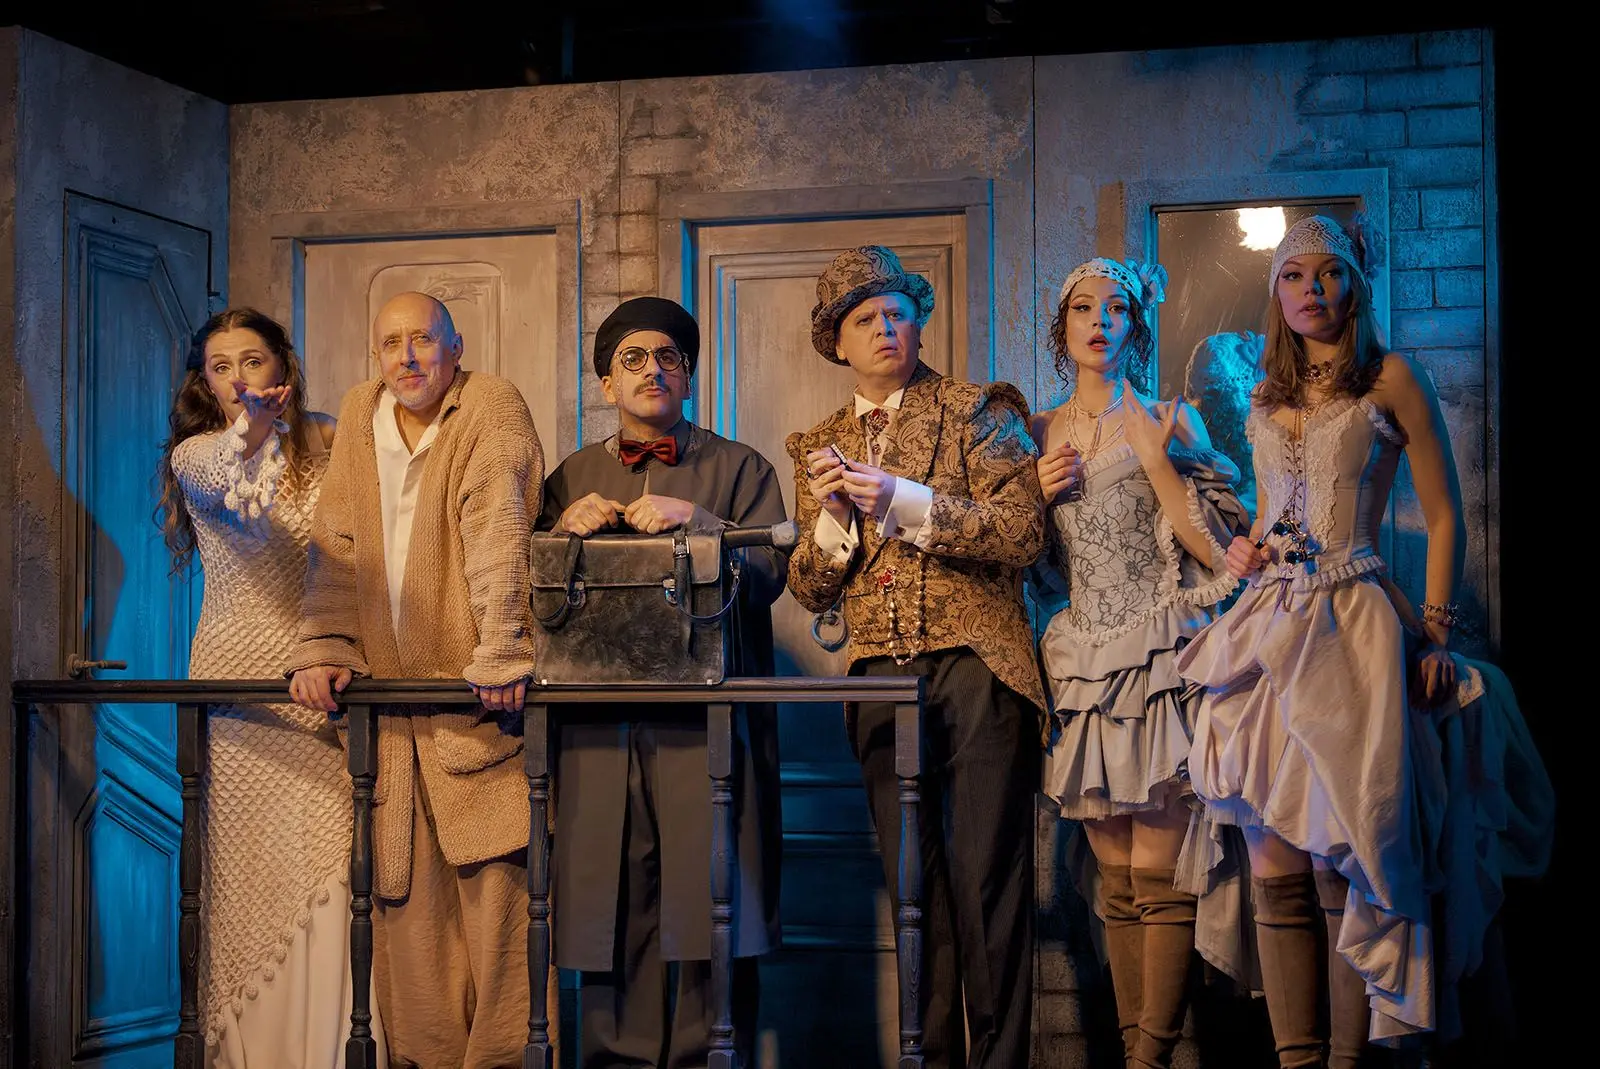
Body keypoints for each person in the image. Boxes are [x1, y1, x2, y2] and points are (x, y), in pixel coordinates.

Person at [1176, 216, 1552, 1066]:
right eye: (1294, 275)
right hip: (1268, 624)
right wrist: (1243, 549)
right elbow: (1275, 511)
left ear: (1356, 284)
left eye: (1329, 272)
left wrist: (1438, 634)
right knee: (1272, 856)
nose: (1312, 289)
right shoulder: (1265, 393)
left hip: (1352, 623)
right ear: (1276, 291)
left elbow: (1446, 513)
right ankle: (1297, 1059)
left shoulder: (1391, 378)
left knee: (1340, 852)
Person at [786, 246, 1045, 1069]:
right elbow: (809, 588)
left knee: (987, 881)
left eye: (896, 311)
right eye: (865, 319)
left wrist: (908, 501)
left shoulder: (978, 410)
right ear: (838, 343)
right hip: (877, 678)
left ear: (918, 322)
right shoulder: (820, 443)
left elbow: (1024, 533)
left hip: (977, 666)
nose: (885, 328)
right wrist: (834, 517)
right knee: (914, 891)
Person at [285, 291, 552, 1068]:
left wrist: (502, 649)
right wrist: (325, 644)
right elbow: (336, 542)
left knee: (502, 925)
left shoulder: (489, 404)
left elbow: (499, 528)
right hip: (391, 722)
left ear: (455, 346)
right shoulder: (360, 412)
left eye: (423, 340)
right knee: (409, 936)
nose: (405, 357)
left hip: (479, 712)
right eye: (390, 342)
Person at [539, 295, 789, 1069]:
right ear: (607, 383)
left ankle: (710, 1057)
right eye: (634, 359)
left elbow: (772, 574)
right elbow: (532, 597)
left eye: (668, 357)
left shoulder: (742, 467)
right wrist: (560, 535)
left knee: (709, 897)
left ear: (689, 374)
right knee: (611, 902)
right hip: (600, 727)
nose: (653, 370)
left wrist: (701, 521)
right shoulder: (570, 477)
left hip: (707, 721)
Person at [1030, 258, 1250, 1069]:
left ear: (1135, 325)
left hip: (1157, 659)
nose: (1100, 321)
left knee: (1159, 877)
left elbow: (1213, 545)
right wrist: (1035, 493)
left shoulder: (1168, 415)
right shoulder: (1040, 431)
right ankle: (1136, 1049)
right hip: (1085, 664)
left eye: (1116, 307)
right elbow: (1033, 560)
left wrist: (1158, 460)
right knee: (1116, 881)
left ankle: (1148, 1057)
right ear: (1062, 329)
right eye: (1083, 308)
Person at [158, 307, 385, 1068]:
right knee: (249, 880)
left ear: (280, 364)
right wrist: (251, 429)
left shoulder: (327, 442)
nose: (237, 379)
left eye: (251, 361)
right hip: (238, 693)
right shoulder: (196, 454)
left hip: (321, 677)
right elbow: (229, 470)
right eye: (220, 367)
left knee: (331, 863)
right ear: (204, 381)